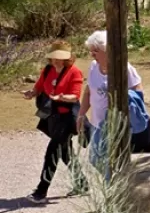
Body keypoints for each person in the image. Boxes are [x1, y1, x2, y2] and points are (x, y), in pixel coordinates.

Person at [78, 30, 142, 180]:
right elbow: (88, 92)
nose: (92, 54)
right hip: (97, 123)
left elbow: (137, 90)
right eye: (91, 51)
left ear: (107, 50)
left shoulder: (123, 67)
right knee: (95, 159)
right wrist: (81, 114)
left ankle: (115, 189)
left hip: (116, 123)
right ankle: (114, 185)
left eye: (96, 51)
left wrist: (131, 108)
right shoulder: (93, 66)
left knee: (116, 158)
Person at [24, 42, 83, 202]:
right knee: (65, 152)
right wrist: (32, 93)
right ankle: (82, 183)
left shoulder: (75, 72)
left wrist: (63, 97)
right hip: (52, 116)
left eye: (60, 58)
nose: (57, 60)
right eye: (54, 57)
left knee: (52, 152)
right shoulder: (48, 70)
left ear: (67, 58)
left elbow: (76, 96)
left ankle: (41, 191)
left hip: (67, 117)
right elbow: (39, 87)